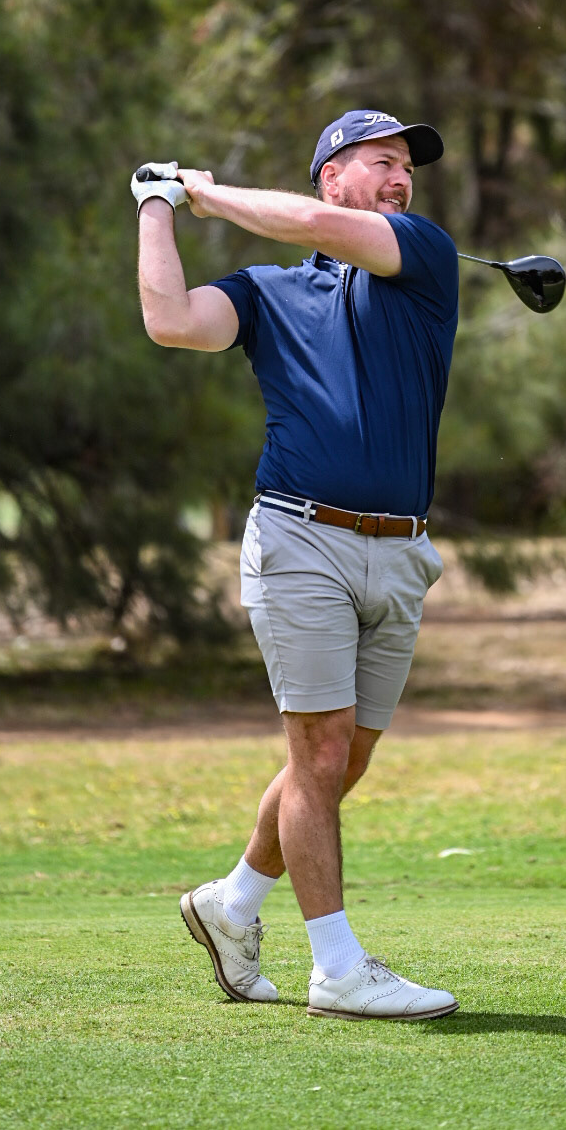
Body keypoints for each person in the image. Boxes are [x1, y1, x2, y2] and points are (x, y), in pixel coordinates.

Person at [132, 109, 460, 1021]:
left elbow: (317, 228)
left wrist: (210, 195)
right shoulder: (266, 292)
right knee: (317, 751)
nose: (401, 178)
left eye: (407, 167)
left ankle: (232, 903)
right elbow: (171, 321)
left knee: (342, 761)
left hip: (402, 552)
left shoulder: (423, 255)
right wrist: (158, 207)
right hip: (299, 537)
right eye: (382, 162)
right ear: (331, 174)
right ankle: (338, 968)